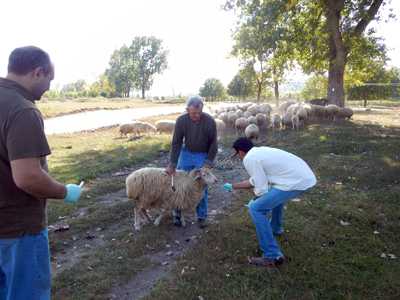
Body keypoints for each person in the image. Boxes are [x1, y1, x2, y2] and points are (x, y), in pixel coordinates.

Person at [0, 46, 83, 300]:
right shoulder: (23, 110)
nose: (48, 87)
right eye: (49, 80)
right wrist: (66, 192)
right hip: (18, 231)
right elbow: (28, 177)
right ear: (38, 72)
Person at [223, 137, 317, 268]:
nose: (238, 157)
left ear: (240, 152)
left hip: (295, 181)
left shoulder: (249, 158)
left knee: (256, 208)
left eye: (237, 154)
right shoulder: (259, 152)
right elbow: (255, 181)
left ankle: (272, 256)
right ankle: (275, 228)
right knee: (272, 196)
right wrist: (233, 186)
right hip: (303, 176)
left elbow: (261, 189)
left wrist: (256, 200)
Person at [166, 95, 217, 228]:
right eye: (193, 113)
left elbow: (214, 143)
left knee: (201, 184)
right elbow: (176, 142)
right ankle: (177, 213)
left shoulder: (209, 121)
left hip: (202, 154)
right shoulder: (181, 121)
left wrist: (208, 162)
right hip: (186, 153)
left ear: (202, 109)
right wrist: (172, 163)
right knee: (180, 183)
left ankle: (202, 216)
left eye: (199, 112)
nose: (196, 115)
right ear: (187, 109)